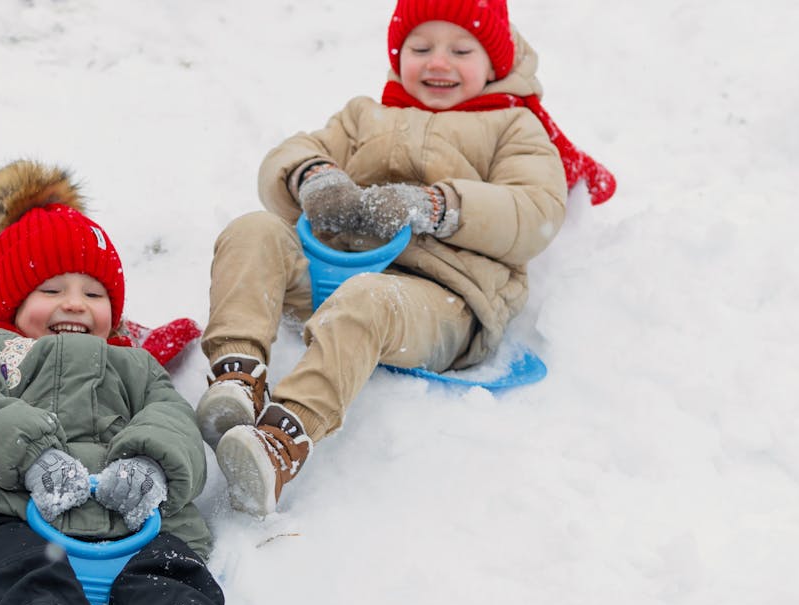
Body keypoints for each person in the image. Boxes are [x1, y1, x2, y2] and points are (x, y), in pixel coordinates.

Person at [196, 0, 615, 517]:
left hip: (440, 301)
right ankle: (237, 374)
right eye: (421, 48)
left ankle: (281, 442)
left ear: (494, 63)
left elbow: (534, 213)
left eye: (461, 50)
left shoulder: (514, 128)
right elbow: (286, 156)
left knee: (369, 301)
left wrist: (437, 206)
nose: (438, 63)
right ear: (399, 56)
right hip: (331, 268)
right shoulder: (365, 116)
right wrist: (314, 175)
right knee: (252, 230)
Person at [0, 160, 233, 605]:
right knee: (7, 572)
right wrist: (31, 454)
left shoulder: (132, 363)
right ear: (11, 303)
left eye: (95, 295)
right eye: (51, 289)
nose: (75, 303)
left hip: (134, 527)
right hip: (3, 511)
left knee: (172, 587)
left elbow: (171, 415)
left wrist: (151, 462)